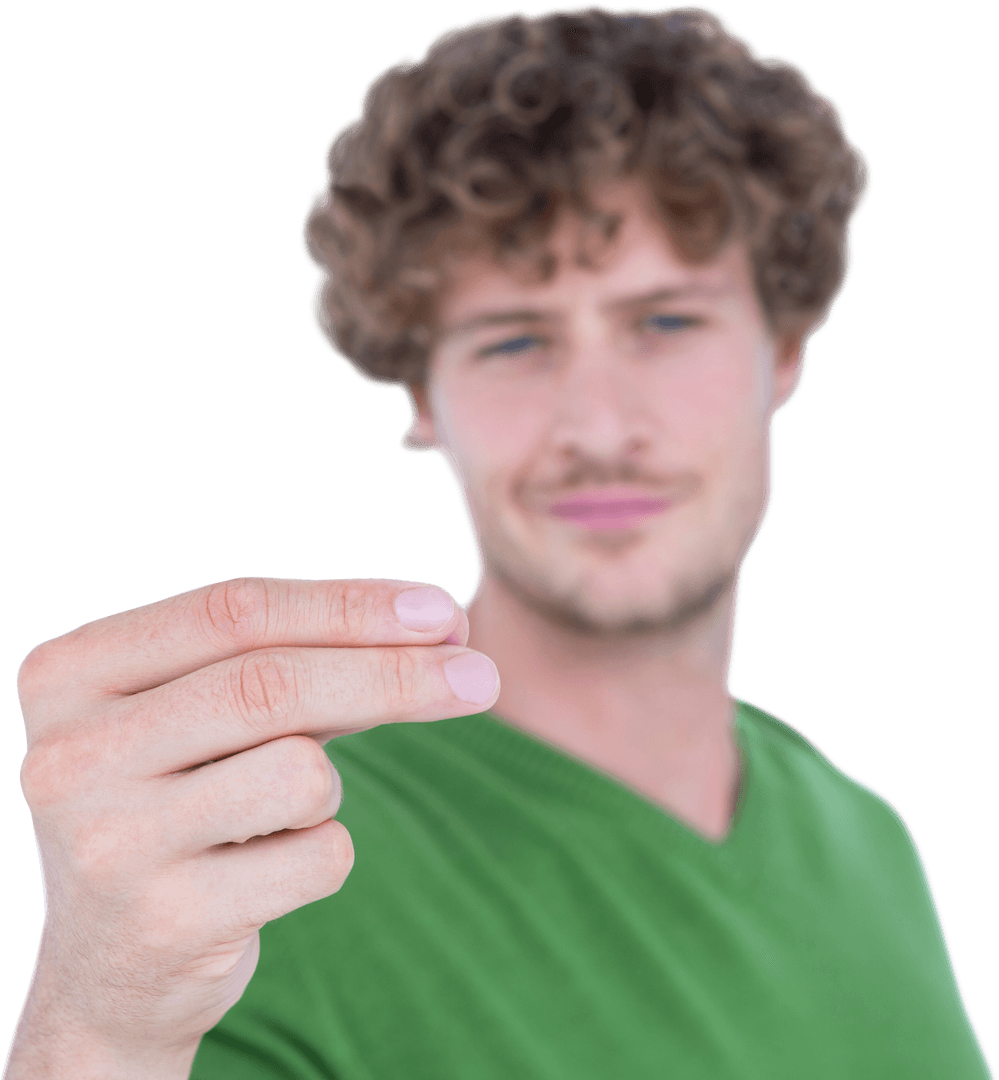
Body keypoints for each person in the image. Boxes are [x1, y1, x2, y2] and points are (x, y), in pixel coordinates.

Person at [5, 5, 993, 1078]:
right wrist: (97, 1030)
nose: (600, 426)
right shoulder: (249, 866)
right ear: (423, 394)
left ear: (786, 350)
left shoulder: (870, 837)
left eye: (666, 324)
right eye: (517, 340)